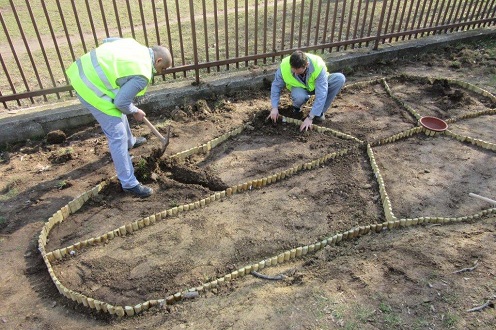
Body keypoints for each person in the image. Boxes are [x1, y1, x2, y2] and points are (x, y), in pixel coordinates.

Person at [66, 38, 172, 198]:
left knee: (118, 103)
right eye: (162, 68)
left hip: (81, 71)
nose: (160, 73)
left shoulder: (134, 44)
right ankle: (129, 184)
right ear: (158, 60)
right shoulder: (142, 74)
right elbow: (121, 103)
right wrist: (135, 110)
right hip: (90, 88)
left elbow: (107, 40)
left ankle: (131, 142)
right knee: (117, 135)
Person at [268, 50, 346, 131]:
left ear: (307, 65)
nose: (296, 74)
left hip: (317, 86)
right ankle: (296, 109)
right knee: (299, 96)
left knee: (339, 79)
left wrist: (310, 117)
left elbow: (321, 93)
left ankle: (318, 113)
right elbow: (276, 86)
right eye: (294, 71)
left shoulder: (317, 65)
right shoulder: (284, 67)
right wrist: (274, 107)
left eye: (299, 72)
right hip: (299, 88)